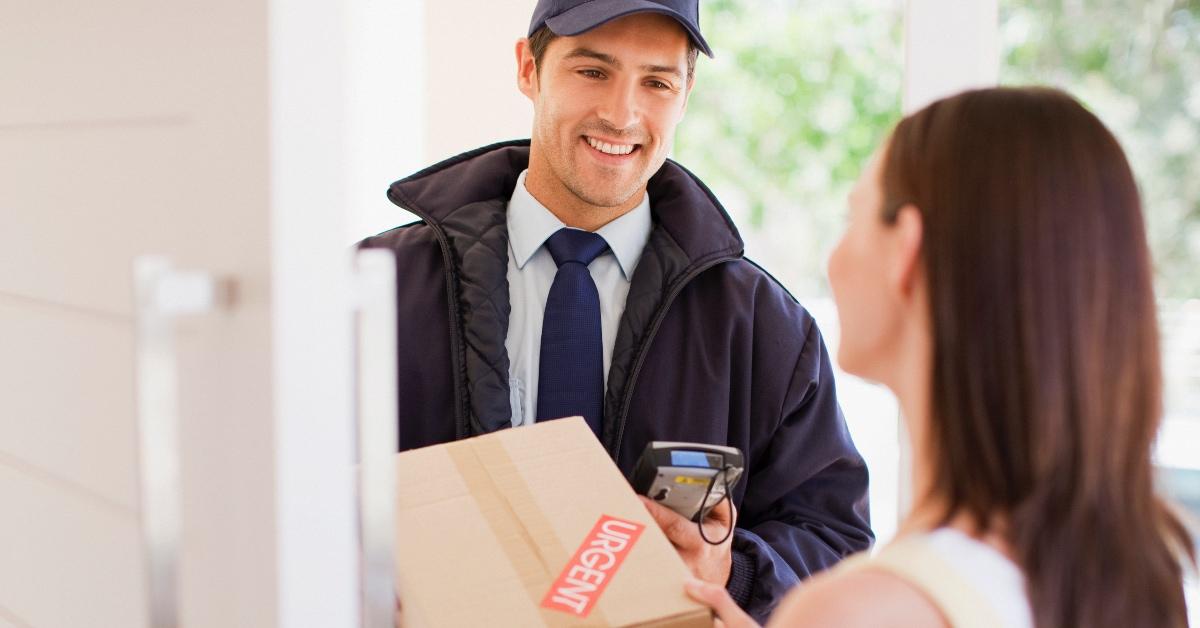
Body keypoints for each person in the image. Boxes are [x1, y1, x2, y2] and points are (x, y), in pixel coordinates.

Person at [359, 0, 872, 620]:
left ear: (685, 94)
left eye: (656, 82)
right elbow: (278, 496)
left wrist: (730, 571)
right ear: (529, 69)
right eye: (592, 71)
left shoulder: (765, 327)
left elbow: (834, 542)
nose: (622, 114)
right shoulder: (371, 291)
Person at [685, 86, 1198, 628]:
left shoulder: (860, 611)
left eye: (852, 218)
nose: (833, 259)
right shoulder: (1136, 578)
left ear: (906, 249)